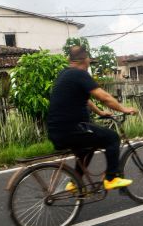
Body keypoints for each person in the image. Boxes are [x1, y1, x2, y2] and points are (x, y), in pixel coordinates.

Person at [47, 45, 138, 190]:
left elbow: (86, 99)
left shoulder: (64, 74)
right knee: (113, 138)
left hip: (57, 131)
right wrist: (124, 109)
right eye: (89, 59)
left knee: (86, 148)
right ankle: (111, 179)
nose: (89, 62)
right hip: (73, 129)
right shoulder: (79, 74)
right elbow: (104, 97)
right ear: (85, 59)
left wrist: (100, 112)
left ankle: (74, 183)